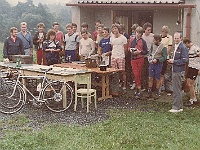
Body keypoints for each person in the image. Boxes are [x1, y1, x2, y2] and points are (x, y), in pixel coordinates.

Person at [167, 32, 188, 113]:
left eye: (177, 38)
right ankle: (180, 106)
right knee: (177, 88)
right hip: (175, 69)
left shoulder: (183, 47)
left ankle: (176, 107)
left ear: (181, 38)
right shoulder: (176, 46)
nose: (176, 39)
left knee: (176, 89)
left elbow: (185, 60)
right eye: (175, 38)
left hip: (178, 71)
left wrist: (174, 61)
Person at [147, 34, 167, 99]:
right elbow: (150, 52)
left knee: (157, 78)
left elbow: (165, 57)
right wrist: (150, 57)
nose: (153, 41)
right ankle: (149, 91)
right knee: (150, 77)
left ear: (158, 40)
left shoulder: (163, 47)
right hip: (152, 63)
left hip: (158, 64)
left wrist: (158, 60)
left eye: (154, 40)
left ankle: (157, 92)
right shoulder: (153, 45)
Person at [130, 26, 148, 99]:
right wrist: (131, 50)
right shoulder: (132, 40)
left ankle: (138, 90)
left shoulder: (143, 41)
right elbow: (129, 47)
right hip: (133, 59)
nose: (138, 34)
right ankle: (139, 89)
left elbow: (145, 51)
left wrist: (139, 52)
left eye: (139, 33)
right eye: (137, 32)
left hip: (140, 59)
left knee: (139, 74)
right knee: (135, 74)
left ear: (141, 34)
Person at [110, 23, 127, 93]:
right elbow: (112, 47)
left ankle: (124, 86)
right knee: (114, 72)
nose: (115, 30)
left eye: (116, 28)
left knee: (122, 72)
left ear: (119, 29)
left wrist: (122, 56)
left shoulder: (123, 38)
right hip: (113, 56)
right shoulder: (111, 38)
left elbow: (125, 48)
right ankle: (116, 87)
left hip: (121, 57)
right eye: (113, 29)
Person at [183, 38, 200, 106]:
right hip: (190, 67)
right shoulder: (189, 49)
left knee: (190, 84)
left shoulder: (195, 48)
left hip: (195, 68)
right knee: (188, 83)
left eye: (185, 44)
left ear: (187, 43)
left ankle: (193, 99)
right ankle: (193, 98)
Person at [142, 22, 154, 91]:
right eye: (148, 30)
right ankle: (144, 86)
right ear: (144, 30)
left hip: (150, 56)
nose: (149, 31)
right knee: (144, 71)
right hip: (143, 56)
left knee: (150, 72)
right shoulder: (142, 36)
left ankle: (150, 87)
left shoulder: (152, 36)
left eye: (150, 30)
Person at [160, 26, 173, 91]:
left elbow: (169, 48)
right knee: (159, 72)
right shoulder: (159, 36)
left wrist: (165, 56)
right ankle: (159, 86)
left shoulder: (169, 37)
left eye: (165, 31)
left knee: (163, 72)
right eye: (162, 31)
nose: (163, 32)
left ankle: (162, 86)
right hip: (159, 56)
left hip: (165, 56)